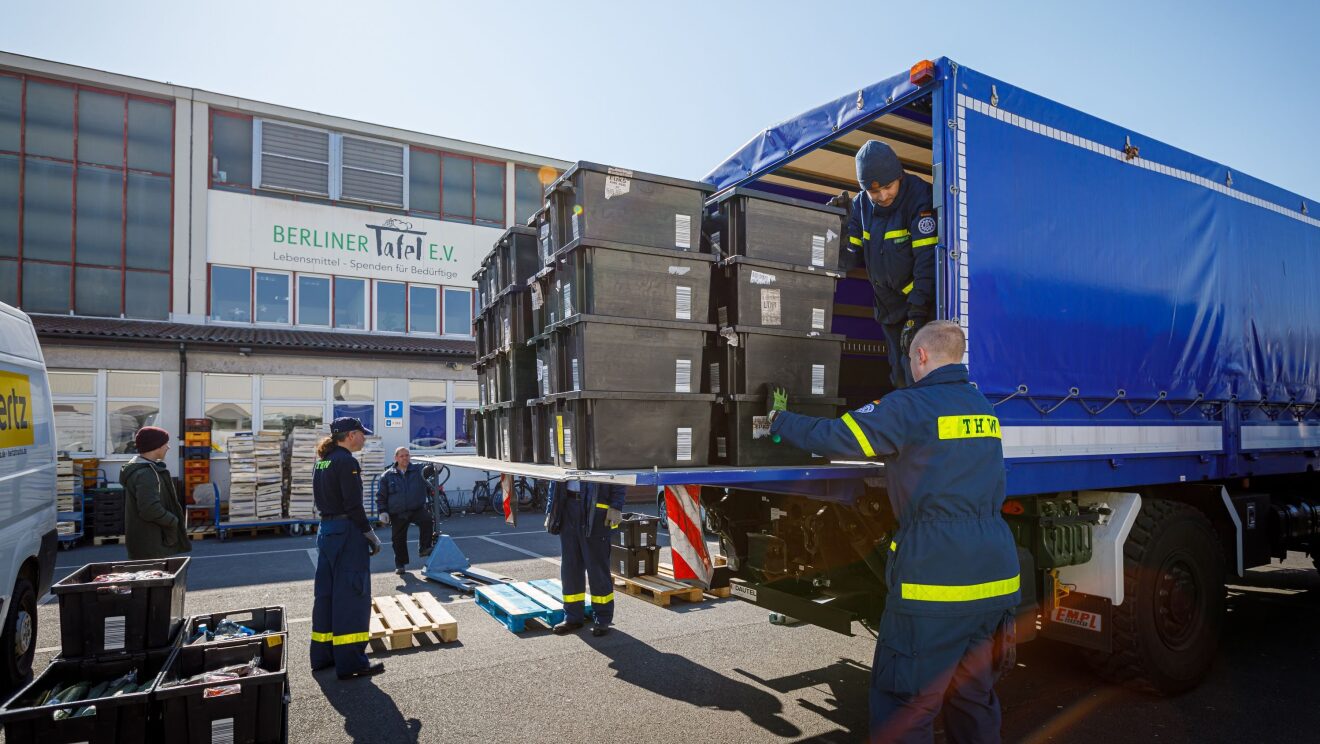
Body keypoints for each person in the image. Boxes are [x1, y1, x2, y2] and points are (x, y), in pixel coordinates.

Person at [767, 321, 1019, 743]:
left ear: (920, 356)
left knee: (907, 704)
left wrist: (779, 419)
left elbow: (834, 438)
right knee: (974, 697)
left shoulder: (908, 406)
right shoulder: (983, 409)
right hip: (995, 575)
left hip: (935, 578)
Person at [836, 140, 939, 389]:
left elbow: (927, 261)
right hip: (887, 308)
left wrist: (917, 315)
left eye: (888, 187)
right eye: (874, 192)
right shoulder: (861, 205)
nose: (883, 196)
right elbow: (851, 257)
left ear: (899, 176)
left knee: (918, 375)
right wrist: (838, 225)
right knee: (899, 377)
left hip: (918, 308)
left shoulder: (919, 196)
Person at [310, 417, 385, 680]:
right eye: (362, 434)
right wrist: (370, 535)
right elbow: (353, 506)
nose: (364, 438)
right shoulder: (346, 462)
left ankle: (323, 656)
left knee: (327, 596)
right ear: (350, 435)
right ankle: (352, 662)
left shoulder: (323, 461)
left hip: (327, 532)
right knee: (352, 597)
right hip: (347, 534)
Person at [545, 479, 625, 637]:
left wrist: (616, 506)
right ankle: (572, 617)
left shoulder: (603, 452)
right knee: (570, 568)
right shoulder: (563, 453)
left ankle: (602, 619)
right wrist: (550, 510)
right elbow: (554, 479)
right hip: (567, 507)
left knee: (597, 569)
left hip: (596, 513)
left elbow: (617, 477)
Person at [120, 426, 191, 561]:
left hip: (148, 542)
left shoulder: (147, 470)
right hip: (150, 543)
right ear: (156, 446)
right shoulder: (146, 473)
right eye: (165, 444)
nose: (168, 447)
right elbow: (149, 509)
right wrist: (172, 520)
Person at [376, 447, 436, 576]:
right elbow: (381, 496)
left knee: (427, 520)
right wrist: (383, 512)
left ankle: (424, 547)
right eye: (402, 456)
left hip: (416, 509)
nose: (405, 458)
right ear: (396, 458)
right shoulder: (387, 475)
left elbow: (432, 469)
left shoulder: (418, 470)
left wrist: (438, 465)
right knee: (398, 539)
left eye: (407, 455)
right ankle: (400, 564)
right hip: (398, 512)